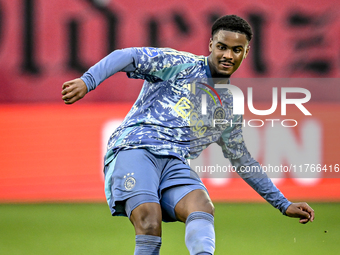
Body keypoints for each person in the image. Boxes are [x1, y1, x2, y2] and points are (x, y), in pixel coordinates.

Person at [61, 15, 315, 255]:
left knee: (202, 206)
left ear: (246, 52)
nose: (228, 55)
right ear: (211, 44)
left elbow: (242, 160)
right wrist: (88, 81)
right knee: (150, 221)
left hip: (174, 163)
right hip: (136, 149)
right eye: (222, 47)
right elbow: (126, 55)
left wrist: (283, 204)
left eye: (236, 50)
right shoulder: (179, 64)